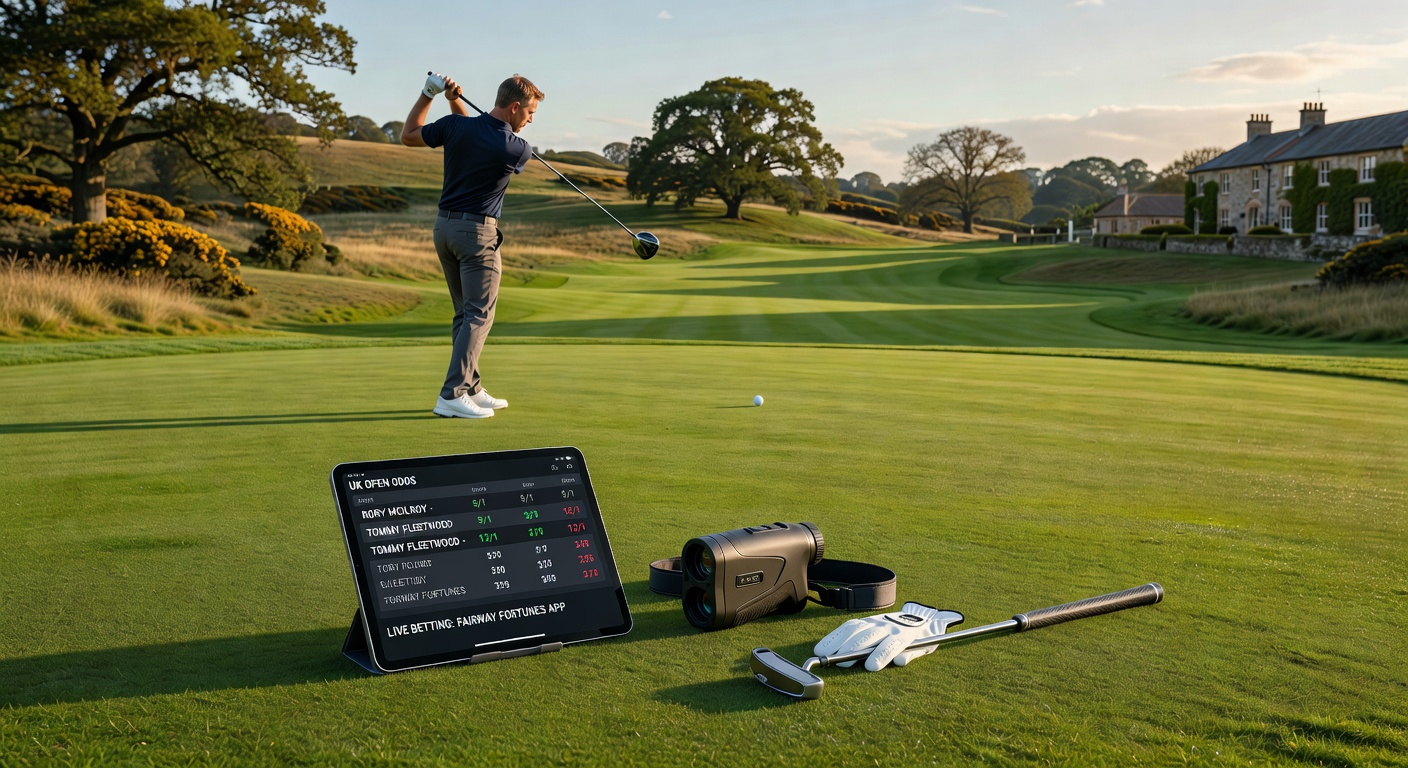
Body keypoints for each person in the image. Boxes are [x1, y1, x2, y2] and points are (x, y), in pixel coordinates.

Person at [401, 72, 543, 419]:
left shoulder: (453, 126)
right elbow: (483, 137)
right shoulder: (517, 148)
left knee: (465, 314)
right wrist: (454, 101)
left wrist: (432, 94)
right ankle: (452, 393)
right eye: (530, 113)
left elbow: (410, 135)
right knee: (479, 315)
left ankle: (471, 387)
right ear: (514, 108)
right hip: (477, 235)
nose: (530, 120)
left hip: (445, 229)